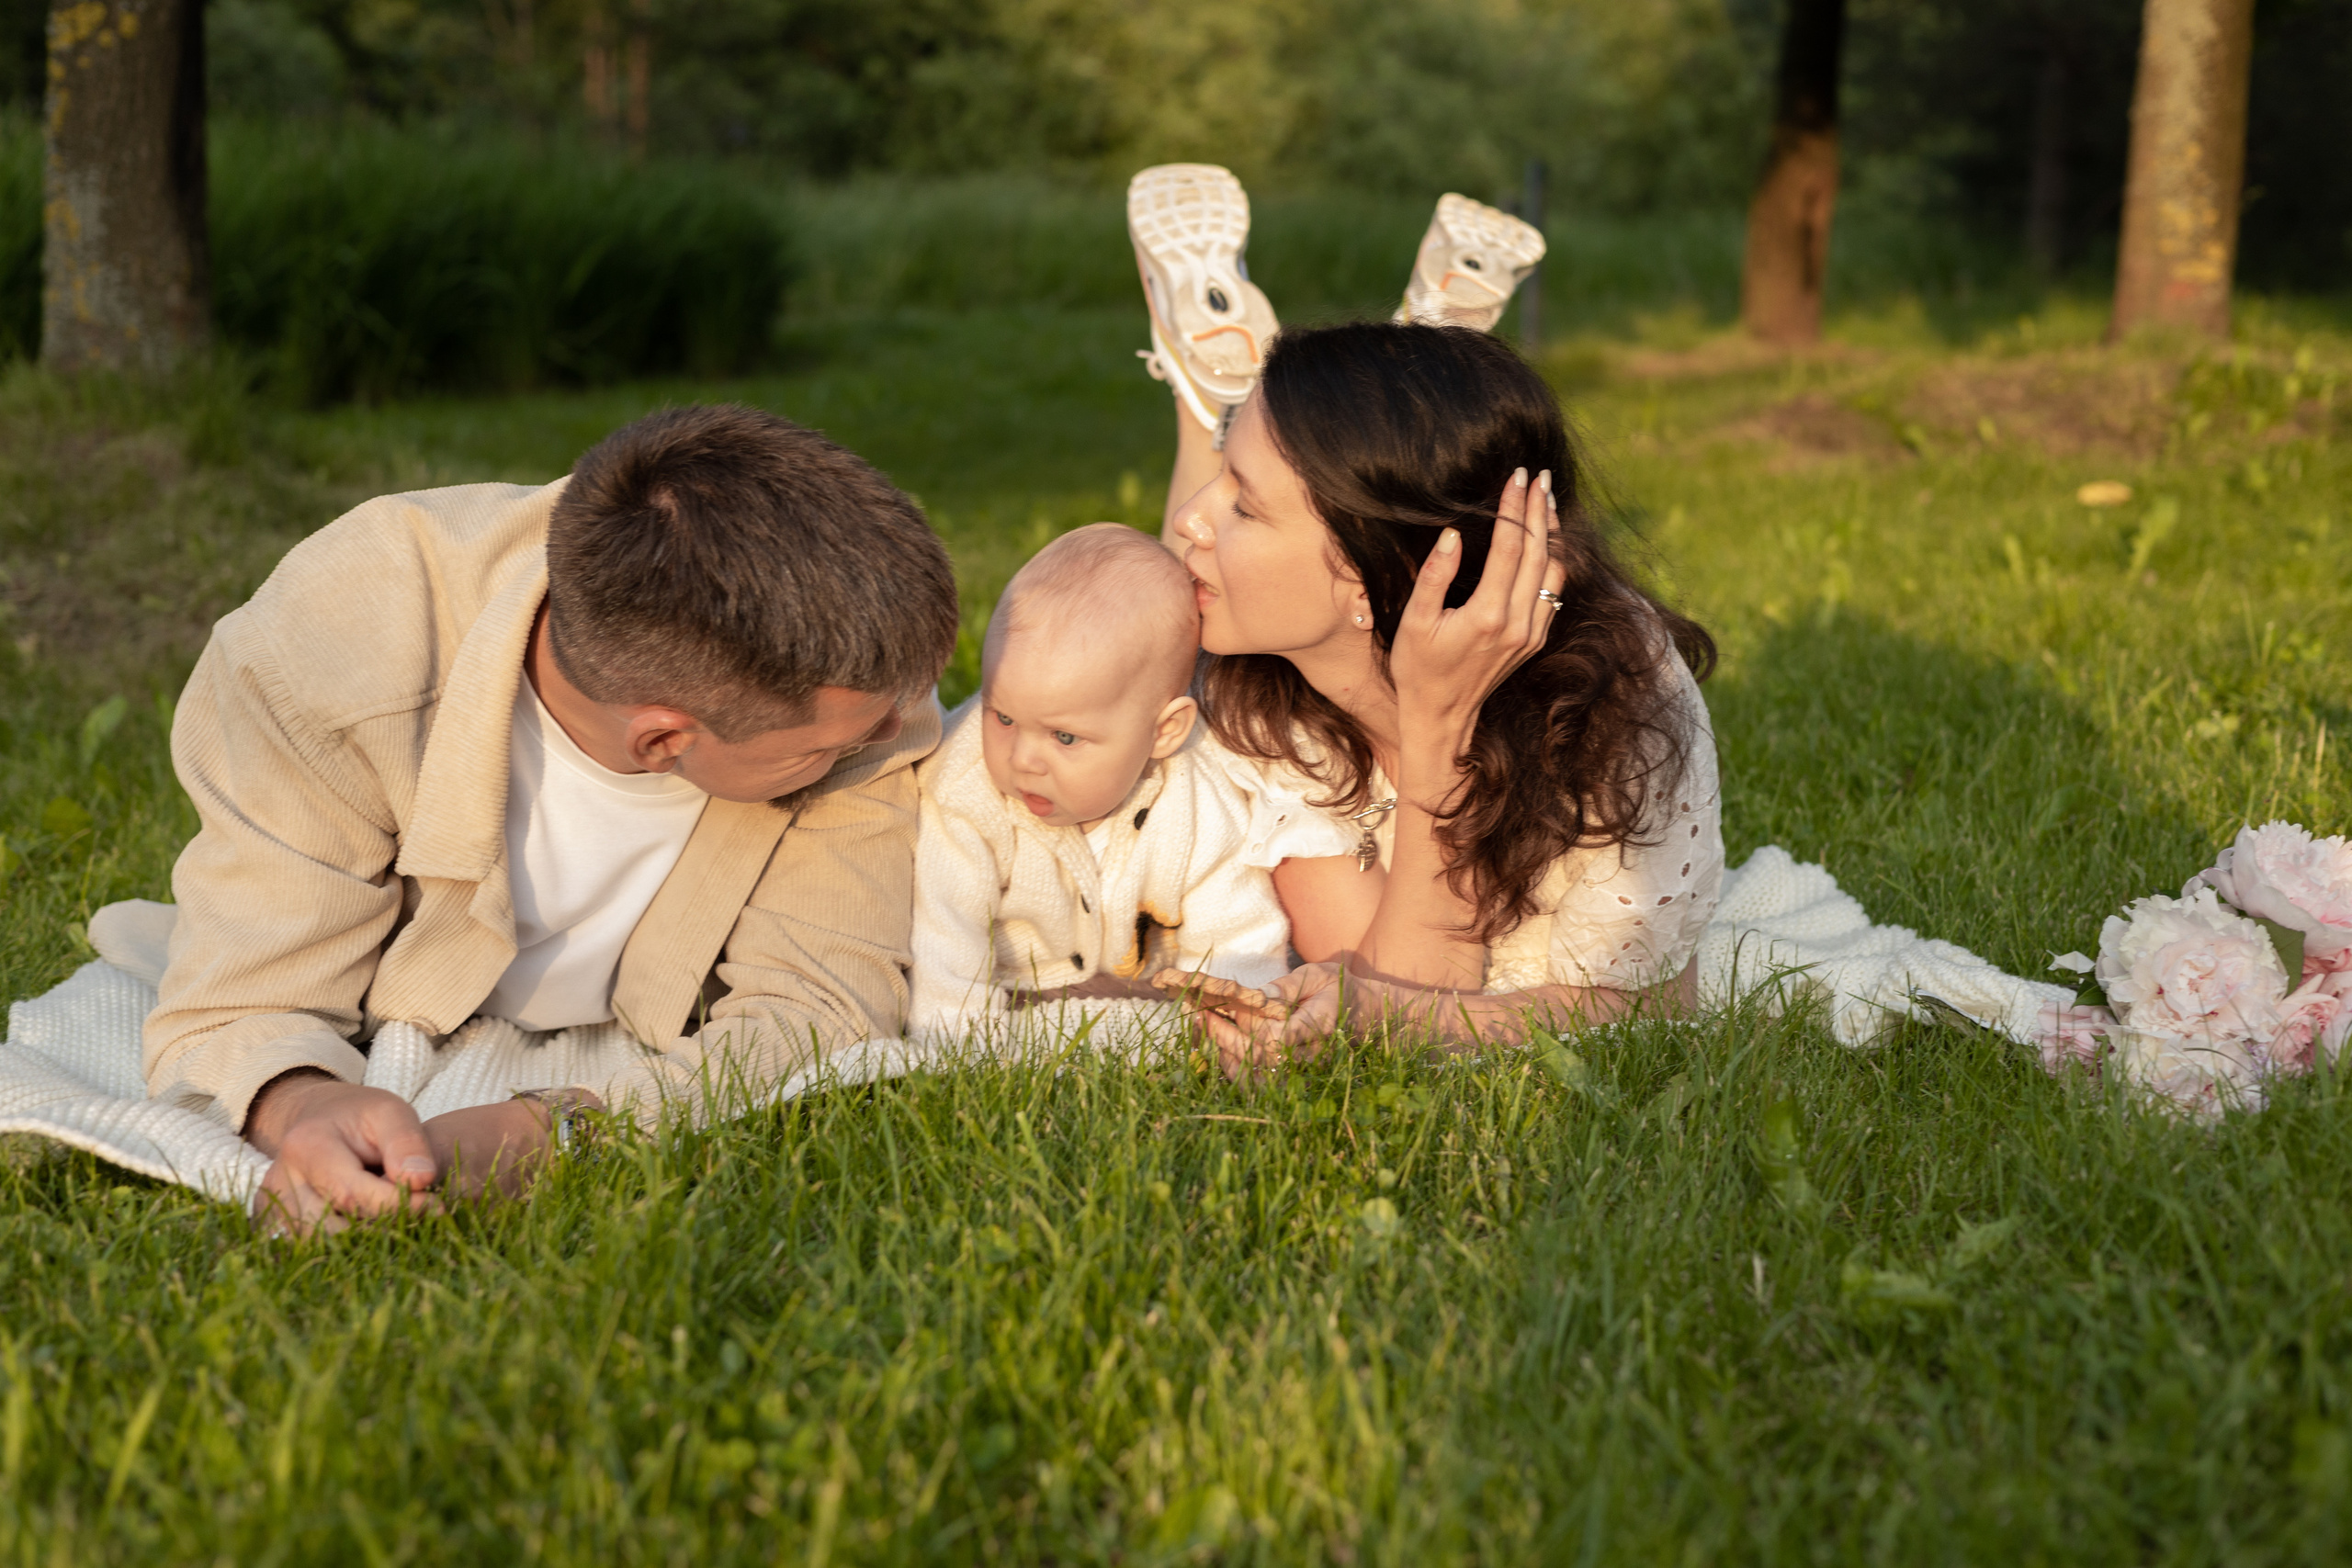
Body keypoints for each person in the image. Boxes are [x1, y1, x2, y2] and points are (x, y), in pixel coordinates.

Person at [147, 404, 960, 1233]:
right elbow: (241, 1003)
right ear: (663, 739)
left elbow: (819, 1012)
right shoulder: (326, 649)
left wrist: (543, 1132)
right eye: (830, 742)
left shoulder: (859, 690)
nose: (905, 729)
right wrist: (301, 1105)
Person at [1123, 164, 1722, 1068]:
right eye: (1228, 483)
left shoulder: (1614, 699)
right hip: (1360, 602)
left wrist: (1439, 717)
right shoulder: (1266, 691)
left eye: (1244, 505)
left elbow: (1641, 1004)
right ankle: (1219, 401)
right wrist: (1437, 727)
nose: (1191, 520)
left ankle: (1243, 400)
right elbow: (1393, 992)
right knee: (1156, 612)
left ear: (1373, 580)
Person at [908, 524, 1355, 1043]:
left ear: (1165, 731)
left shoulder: (1199, 803)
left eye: (1065, 737)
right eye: (1002, 717)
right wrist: (954, 1040)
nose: (1024, 759)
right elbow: (944, 938)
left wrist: (1237, 1017)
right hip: (1009, 992)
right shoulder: (964, 794)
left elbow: (1238, 935)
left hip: (1148, 993)